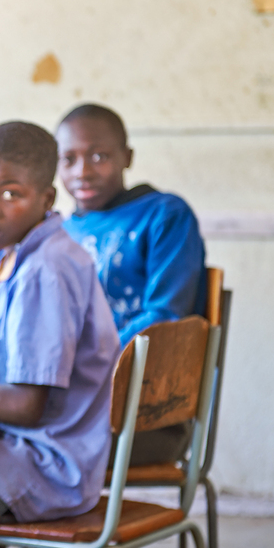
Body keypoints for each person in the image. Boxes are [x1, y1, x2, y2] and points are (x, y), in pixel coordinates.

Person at [0, 122, 120, 548]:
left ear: (46, 200)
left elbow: (27, 406)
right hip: (10, 448)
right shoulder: (14, 257)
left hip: (42, 462)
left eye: (10, 193)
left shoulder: (46, 269)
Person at [56, 103, 207, 464]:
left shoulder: (164, 215)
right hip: (67, 406)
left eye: (99, 155)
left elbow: (165, 316)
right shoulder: (59, 233)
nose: (83, 171)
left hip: (146, 415)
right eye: (69, 159)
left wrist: (80, 368)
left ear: (127, 156)